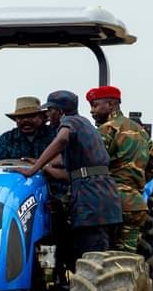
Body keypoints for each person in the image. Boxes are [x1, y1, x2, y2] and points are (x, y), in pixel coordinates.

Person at [8, 90, 122, 264]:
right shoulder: (85, 125)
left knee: (92, 260)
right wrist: (43, 164)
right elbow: (64, 163)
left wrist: (33, 169)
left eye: (50, 110)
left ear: (59, 111)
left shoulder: (70, 121)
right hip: (102, 197)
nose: (47, 115)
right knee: (96, 256)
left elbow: (61, 141)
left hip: (91, 200)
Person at [86, 85, 153, 252]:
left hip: (110, 201)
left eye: (95, 105)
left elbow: (91, 162)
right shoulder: (140, 131)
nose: (91, 111)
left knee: (102, 255)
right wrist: (135, 183)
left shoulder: (106, 129)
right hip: (135, 204)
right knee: (126, 257)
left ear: (111, 105)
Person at [0, 96, 56, 163]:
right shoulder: (5, 139)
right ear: (15, 119)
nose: (25, 120)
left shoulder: (55, 135)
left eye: (31, 116)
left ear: (41, 117)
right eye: (21, 117)